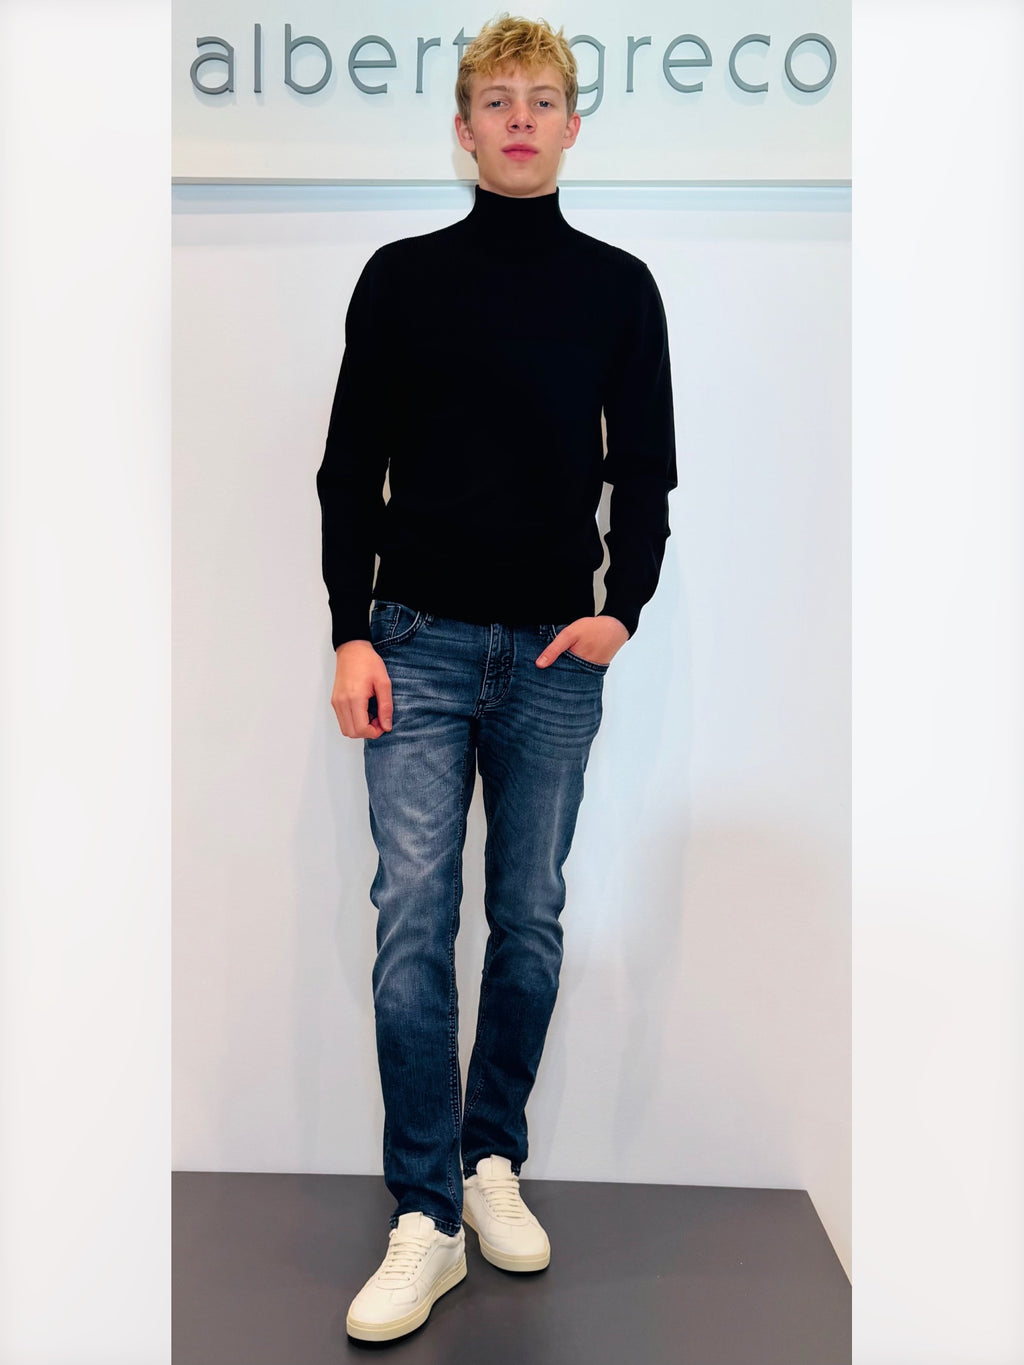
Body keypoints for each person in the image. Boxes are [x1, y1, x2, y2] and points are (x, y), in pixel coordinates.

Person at [316, 12, 677, 1344]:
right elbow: (349, 470)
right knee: (413, 921)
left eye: (541, 98)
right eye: (495, 99)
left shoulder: (619, 288)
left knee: (526, 917)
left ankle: (489, 1160)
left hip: (550, 655)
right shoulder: (400, 278)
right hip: (411, 644)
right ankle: (425, 1216)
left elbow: (646, 470)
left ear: (575, 124)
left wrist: (620, 611)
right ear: (462, 128)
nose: (519, 117)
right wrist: (350, 630)